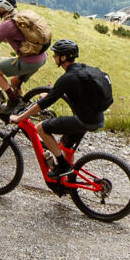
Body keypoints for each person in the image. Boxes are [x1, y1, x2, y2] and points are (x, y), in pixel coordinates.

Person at [11, 39, 112, 183]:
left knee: (41, 128)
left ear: (63, 58)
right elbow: (72, 90)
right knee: (65, 145)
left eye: (56, 54)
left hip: (83, 120)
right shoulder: (82, 70)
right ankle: (69, 182)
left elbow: (43, 105)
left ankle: (63, 165)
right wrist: (50, 93)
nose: (54, 57)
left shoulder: (68, 77)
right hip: (97, 118)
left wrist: (20, 117)